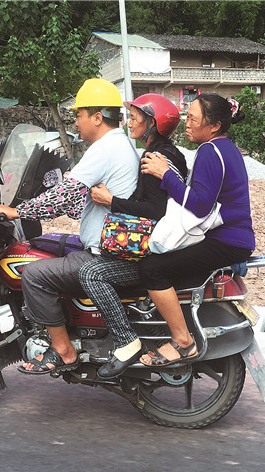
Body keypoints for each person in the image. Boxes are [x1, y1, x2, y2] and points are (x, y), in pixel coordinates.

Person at [0, 78, 139, 374]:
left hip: (104, 255)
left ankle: (63, 349)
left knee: (34, 274)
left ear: (96, 117)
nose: (76, 122)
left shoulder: (104, 148)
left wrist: (17, 210)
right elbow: (79, 200)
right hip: (109, 246)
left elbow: (64, 194)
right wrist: (46, 205)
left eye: (78, 115)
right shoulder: (119, 145)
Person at [137, 93, 255, 367]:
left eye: (192, 118)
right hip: (233, 239)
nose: (186, 123)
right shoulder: (226, 148)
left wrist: (164, 174)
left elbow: (200, 206)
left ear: (213, 126)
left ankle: (182, 341)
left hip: (226, 240)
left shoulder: (209, 152)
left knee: (152, 269)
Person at [78, 94, 187, 379]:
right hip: (169, 245)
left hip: (157, 247)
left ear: (153, 123)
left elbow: (154, 210)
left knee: (91, 274)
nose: (130, 121)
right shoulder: (168, 153)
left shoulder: (154, 158)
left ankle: (127, 341)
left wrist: (111, 201)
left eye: (137, 117)